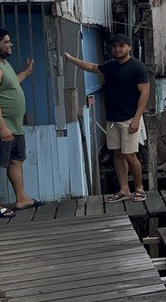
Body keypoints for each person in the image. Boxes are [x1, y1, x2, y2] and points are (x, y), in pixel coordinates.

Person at [64, 34, 150, 202]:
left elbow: (145, 93)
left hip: (129, 118)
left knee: (130, 155)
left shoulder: (137, 68)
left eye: (121, 46)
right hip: (112, 119)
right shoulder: (110, 66)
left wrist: (136, 119)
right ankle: (124, 189)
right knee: (117, 154)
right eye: (115, 46)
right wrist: (72, 59)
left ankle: (139, 188)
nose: (117, 49)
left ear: (129, 47)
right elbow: (91, 67)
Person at [0, 27, 42, 218]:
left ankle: (21, 198)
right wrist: (1, 126)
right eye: (6, 42)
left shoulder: (3, 63)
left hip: (15, 126)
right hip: (1, 126)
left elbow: (12, 84)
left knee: (16, 161)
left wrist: (25, 73)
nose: (11, 45)